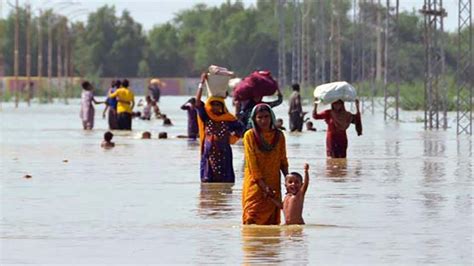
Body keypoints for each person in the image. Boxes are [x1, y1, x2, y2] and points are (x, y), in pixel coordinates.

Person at [242, 103, 289, 225]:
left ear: (271, 117)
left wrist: (288, 180)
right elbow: (252, 164)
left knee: (271, 222)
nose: (263, 120)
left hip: (273, 182)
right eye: (260, 117)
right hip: (255, 185)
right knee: (251, 217)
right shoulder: (250, 136)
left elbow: (283, 160)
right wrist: (263, 186)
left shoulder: (279, 136)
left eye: (266, 116)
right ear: (254, 119)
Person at [196, 73, 245, 183]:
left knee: (225, 183)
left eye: (218, 105)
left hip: (224, 154)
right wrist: (201, 83)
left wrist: (233, 137)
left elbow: (240, 128)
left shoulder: (228, 119)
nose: (215, 107)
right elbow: (198, 102)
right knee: (208, 184)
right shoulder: (207, 117)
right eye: (213, 104)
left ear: (222, 106)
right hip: (209, 155)